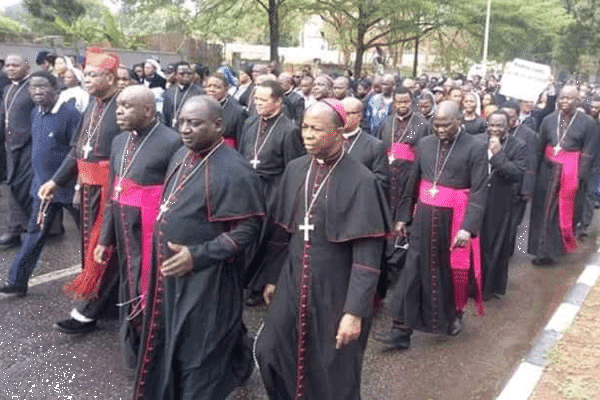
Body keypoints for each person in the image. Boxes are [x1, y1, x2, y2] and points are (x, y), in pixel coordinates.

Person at [254, 99, 390, 399]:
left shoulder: (362, 180)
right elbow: (282, 232)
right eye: (304, 127)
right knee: (271, 351)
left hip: (337, 286)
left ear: (340, 132)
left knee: (332, 369)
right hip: (293, 278)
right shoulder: (294, 169)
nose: (308, 134)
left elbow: (368, 257)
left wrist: (354, 312)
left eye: (317, 129)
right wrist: (273, 276)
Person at [132, 95, 263, 400]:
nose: (185, 129)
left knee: (199, 350)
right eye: (181, 123)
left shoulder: (235, 169)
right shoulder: (181, 154)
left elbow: (248, 229)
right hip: (173, 273)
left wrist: (199, 255)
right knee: (171, 338)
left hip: (208, 278)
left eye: (194, 123)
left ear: (218, 125)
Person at [375, 101, 488, 349]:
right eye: (436, 124)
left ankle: (454, 315)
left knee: (448, 272)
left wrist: (467, 227)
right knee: (412, 271)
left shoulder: (475, 147)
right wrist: (404, 216)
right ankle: (400, 331)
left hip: (454, 218)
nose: (439, 129)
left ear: (459, 120)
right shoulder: (424, 145)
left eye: (445, 124)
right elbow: (412, 183)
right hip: (425, 216)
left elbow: (479, 192)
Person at [92, 85, 182, 368]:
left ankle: (157, 350)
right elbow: (112, 193)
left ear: (147, 110)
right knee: (128, 286)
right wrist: (104, 239)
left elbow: (177, 194)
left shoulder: (172, 141)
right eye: (118, 105)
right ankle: (134, 352)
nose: (119, 111)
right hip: (123, 227)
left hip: (152, 230)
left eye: (127, 106)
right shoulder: (119, 141)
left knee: (153, 287)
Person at [38, 47, 122, 334]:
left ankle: (88, 311)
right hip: (88, 189)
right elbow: (77, 149)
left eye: (94, 75)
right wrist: (57, 181)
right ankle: (107, 303)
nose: (86, 80)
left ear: (110, 77)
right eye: (85, 75)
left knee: (104, 247)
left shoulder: (123, 106)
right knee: (92, 248)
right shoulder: (93, 105)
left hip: (112, 191)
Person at [0, 71, 81, 296]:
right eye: (33, 88)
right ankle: (17, 282)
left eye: (43, 87)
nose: (37, 92)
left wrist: (76, 186)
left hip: (70, 190)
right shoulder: (36, 113)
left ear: (56, 89)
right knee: (34, 233)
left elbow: (77, 153)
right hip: (45, 192)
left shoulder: (70, 114)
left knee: (88, 236)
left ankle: (94, 282)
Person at [528, 85, 599, 265]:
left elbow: (589, 152)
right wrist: (534, 173)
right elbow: (539, 147)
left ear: (577, 101)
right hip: (547, 171)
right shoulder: (548, 119)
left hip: (571, 173)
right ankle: (540, 250)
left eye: (569, 98)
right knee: (542, 211)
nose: (564, 101)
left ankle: (553, 251)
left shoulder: (588, 122)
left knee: (558, 213)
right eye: (562, 98)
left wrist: (580, 177)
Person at [478, 111, 526, 299]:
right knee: (476, 242)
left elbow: (516, 173)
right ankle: (472, 285)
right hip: (478, 197)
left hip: (501, 201)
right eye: (492, 125)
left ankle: (488, 287)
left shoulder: (518, 145)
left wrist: (498, 156)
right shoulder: (477, 141)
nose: (495, 129)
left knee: (494, 245)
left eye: (499, 125)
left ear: (508, 126)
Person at [0, 54, 35, 249]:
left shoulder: (31, 88)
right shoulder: (7, 89)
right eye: (8, 65)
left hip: (28, 145)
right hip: (10, 145)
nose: (10, 68)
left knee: (24, 187)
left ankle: (27, 229)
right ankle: (17, 228)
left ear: (27, 68)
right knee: (13, 186)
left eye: (15, 65)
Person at [501, 100, 539, 254]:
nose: (507, 120)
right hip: (497, 185)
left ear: (517, 116)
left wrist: (527, 189)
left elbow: (531, 162)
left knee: (512, 222)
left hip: (517, 186)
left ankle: (507, 251)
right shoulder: (494, 130)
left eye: (510, 116)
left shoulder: (528, 134)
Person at [341, 97, 389, 191]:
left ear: (359, 116)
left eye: (348, 114)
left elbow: (381, 182)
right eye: (341, 114)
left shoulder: (375, 145)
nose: (343, 117)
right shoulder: (330, 140)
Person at [204, 73, 247, 148]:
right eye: (209, 86)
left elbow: (241, 141)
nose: (211, 90)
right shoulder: (199, 107)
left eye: (217, 87)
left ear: (226, 90)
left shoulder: (238, 112)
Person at [162, 62, 203, 128]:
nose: (186, 76)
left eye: (189, 73)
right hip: (173, 130)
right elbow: (165, 114)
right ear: (175, 75)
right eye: (182, 74)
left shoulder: (200, 92)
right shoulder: (169, 92)